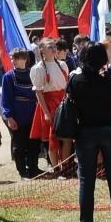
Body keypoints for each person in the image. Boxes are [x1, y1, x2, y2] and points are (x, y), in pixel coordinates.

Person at [71, 43, 111, 222]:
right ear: (103, 61)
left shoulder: (74, 81)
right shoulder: (107, 82)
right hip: (109, 131)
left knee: (86, 180)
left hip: (84, 132)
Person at [29, 36, 71, 173]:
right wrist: (47, 113)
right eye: (50, 47)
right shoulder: (39, 68)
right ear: (42, 50)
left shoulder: (63, 64)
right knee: (53, 139)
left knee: (67, 137)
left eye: (54, 46)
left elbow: (66, 88)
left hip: (63, 103)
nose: (54, 49)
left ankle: (66, 166)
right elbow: (39, 93)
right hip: (49, 104)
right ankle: (57, 169)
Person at [0, 48, 40, 178]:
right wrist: (9, 117)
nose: (13, 61)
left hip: (33, 114)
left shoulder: (33, 73)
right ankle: (23, 172)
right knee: (19, 145)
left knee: (34, 143)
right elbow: (6, 98)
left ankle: (34, 168)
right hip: (18, 115)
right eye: (12, 58)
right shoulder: (8, 76)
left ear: (24, 59)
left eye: (16, 58)